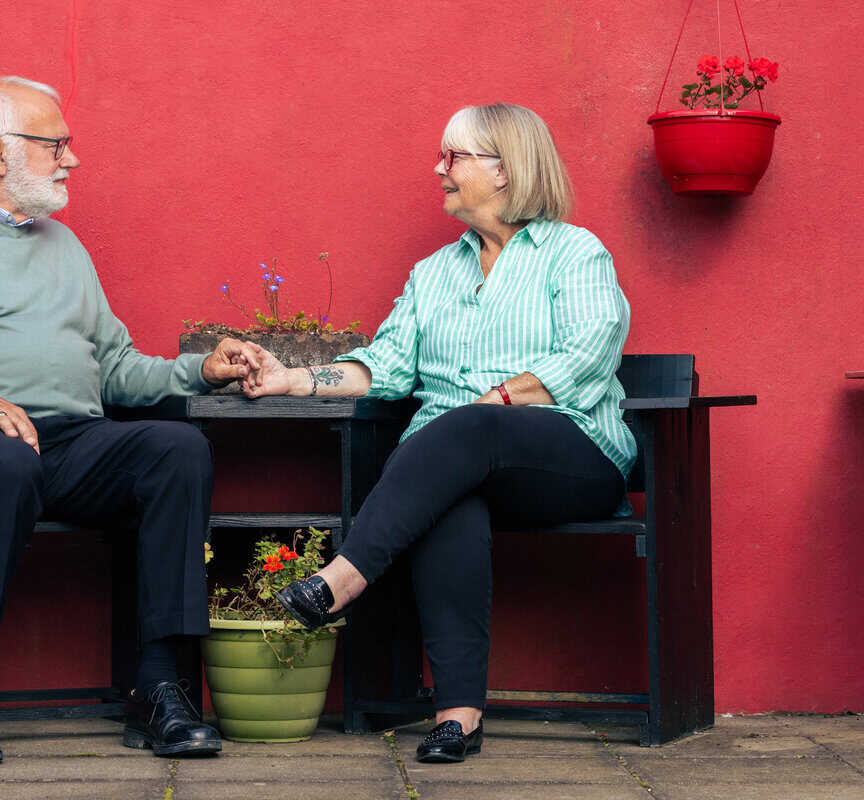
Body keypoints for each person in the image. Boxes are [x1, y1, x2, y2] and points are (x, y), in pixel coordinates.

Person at [0, 75, 258, 764]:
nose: (70, 160)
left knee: (178, 448)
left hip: (69, 444)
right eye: (55, 146)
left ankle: (159, 688)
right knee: (7, 460)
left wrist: (199, 369)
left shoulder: (65, 248)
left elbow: (117, 370)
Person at [241, 103, 635, 764]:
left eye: (454, 156)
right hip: (458, 462)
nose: (439, 169)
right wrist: (293, 380)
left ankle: (341, 578)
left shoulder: (575, 251)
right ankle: (458, 714)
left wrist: (502, 398)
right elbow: (386, 366)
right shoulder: (433, 274)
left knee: (471, 425)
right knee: (450, 495)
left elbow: (592, 350)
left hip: (568, 458)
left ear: (505, 170)